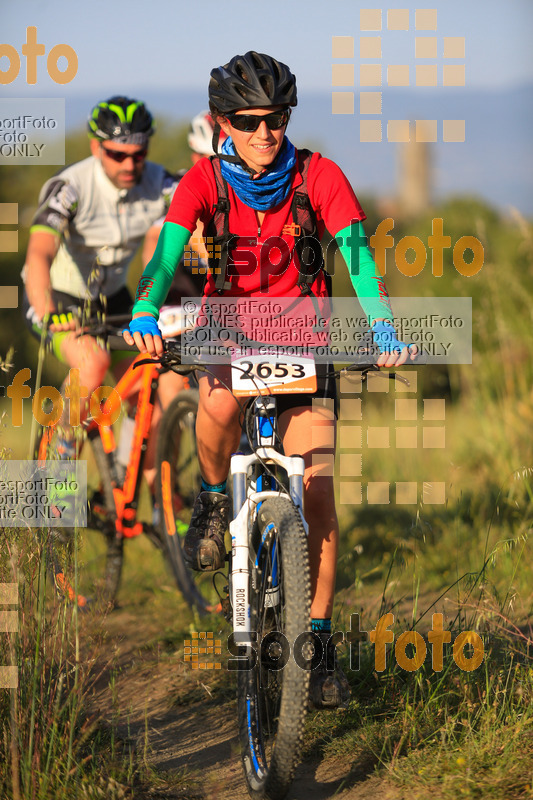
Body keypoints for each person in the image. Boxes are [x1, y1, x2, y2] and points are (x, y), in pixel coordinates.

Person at [124, 52, 417, 708]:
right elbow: (167, 252)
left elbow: (358, 257)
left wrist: (384, 329)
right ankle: (208, 497)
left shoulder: (320, 176)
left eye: (276, 118)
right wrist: (145, 306)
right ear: (222, 122)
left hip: (305, 344)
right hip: (231, 337)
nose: (264, 132)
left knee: (317, 498)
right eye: (247, 120)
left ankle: (315, 644)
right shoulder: (202, 181)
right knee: (216, 406)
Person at [22, 95, 184, 502]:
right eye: (117, 154)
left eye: (139, 153)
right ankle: (56, 461)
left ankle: (137, 478)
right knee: (92, 364)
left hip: (115, 297)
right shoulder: (69, 187)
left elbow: (176, 235)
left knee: (157, 371)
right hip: (58, 297)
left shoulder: (161, 182)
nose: (130, 165)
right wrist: (49, 311)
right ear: (96, 147)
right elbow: (39, 254)